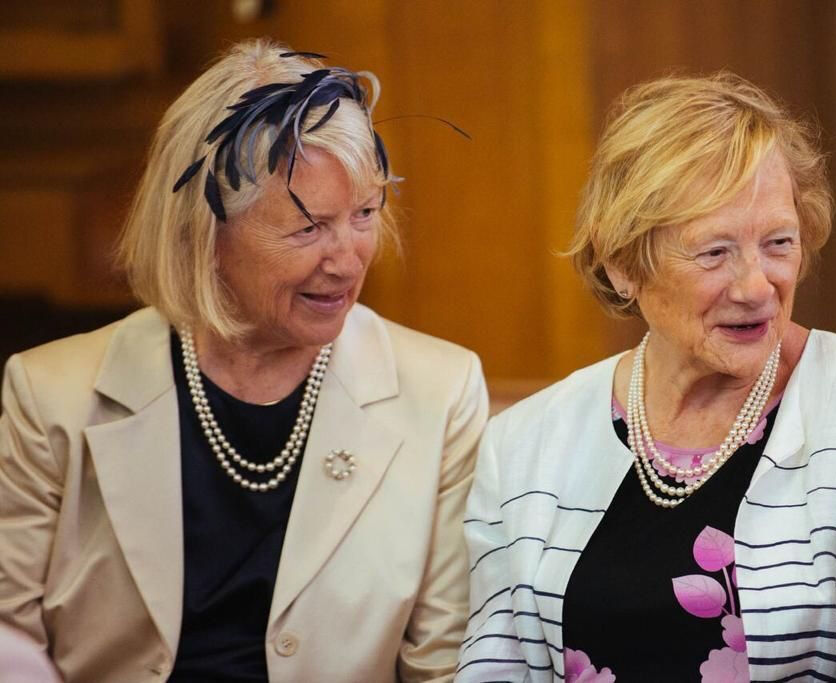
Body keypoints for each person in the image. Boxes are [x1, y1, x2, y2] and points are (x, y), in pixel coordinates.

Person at [0, 39, 487, 682]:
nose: (347, 260)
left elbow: (446, 664)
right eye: (308, 228)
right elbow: (9, 641)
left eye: (364, 214)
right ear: (204, 234)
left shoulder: (441, 393)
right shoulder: (50, 394)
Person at [457, 73, 836, 682]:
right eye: (714, 252)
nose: (756, 286)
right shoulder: (522, 445)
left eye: (778, 243)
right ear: (621, 264)